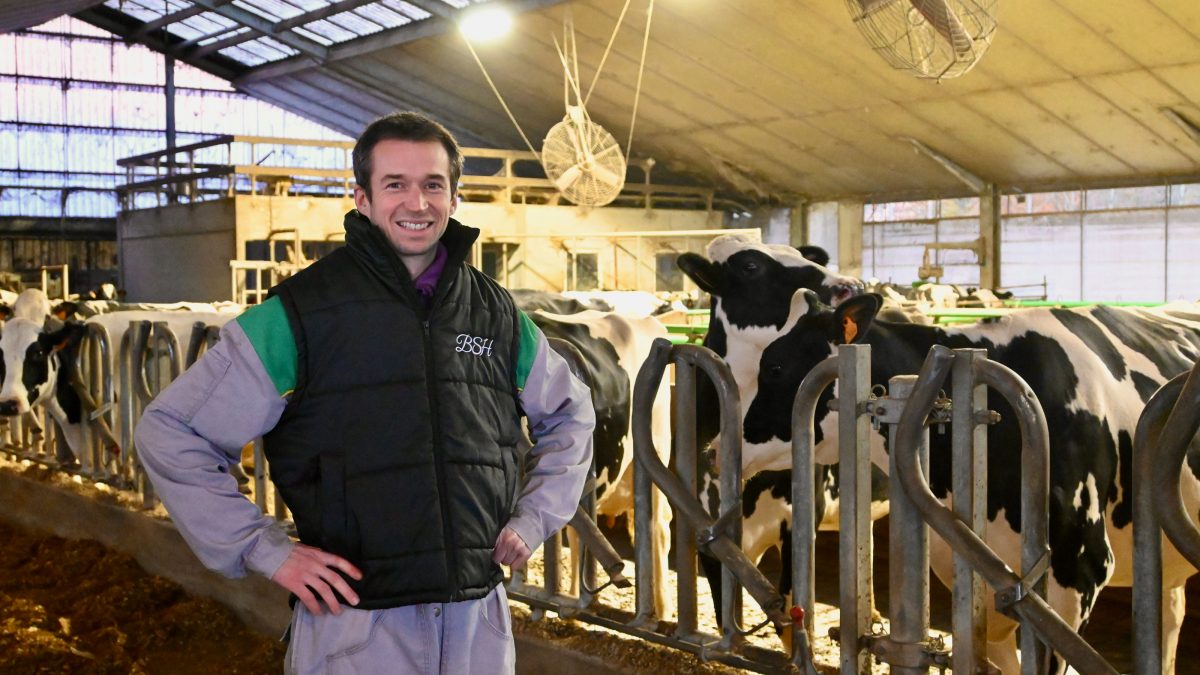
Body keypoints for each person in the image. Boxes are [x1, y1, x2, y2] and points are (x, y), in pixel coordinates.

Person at [135, 111, 596, 674]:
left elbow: (571, 413)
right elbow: (172, 430)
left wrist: (534, 517)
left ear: (454, 197)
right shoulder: (300, 314)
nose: (417, 203)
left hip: (477, 615)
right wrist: (263, 548)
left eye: (433, 184)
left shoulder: (494, 312)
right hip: (357, 622)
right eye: (395, 184)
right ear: (362, 198)